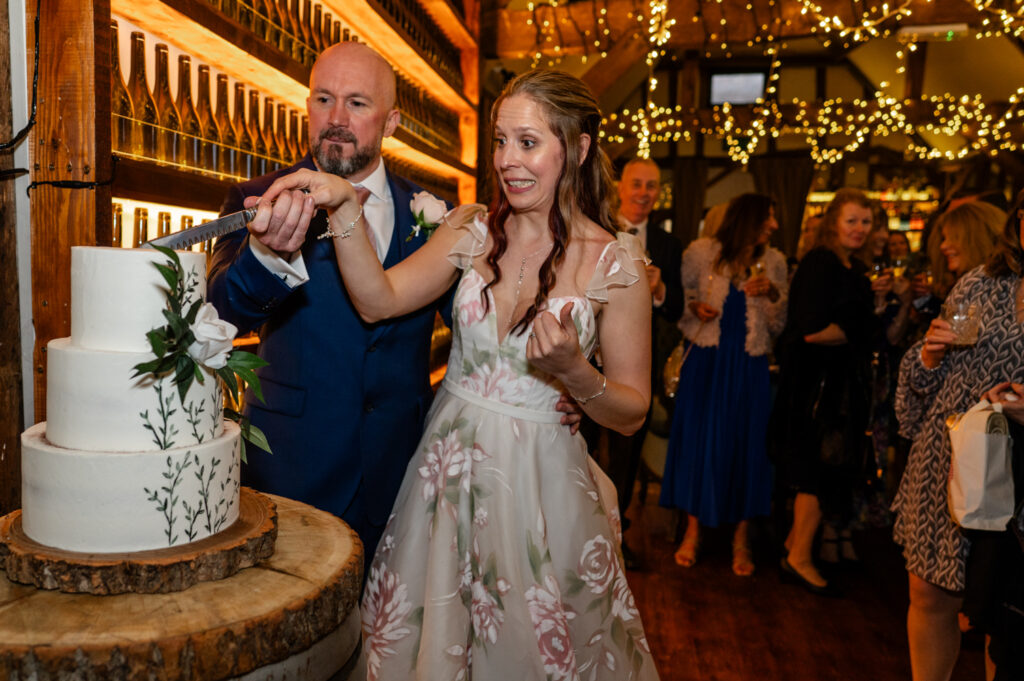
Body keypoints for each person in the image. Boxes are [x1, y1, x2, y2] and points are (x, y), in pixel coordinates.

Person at [243, 69, 660, 680]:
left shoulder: (615, 263)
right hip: (446, 482)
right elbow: (379, 300)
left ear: (576, 147)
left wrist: (576, 374)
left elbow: (633, 412)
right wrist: (341, 205)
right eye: (500, 141)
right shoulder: (470, 229)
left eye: (528, 142)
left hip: (541, 492)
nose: (508, 162)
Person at [206, 43, 579, 565]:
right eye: (323, 99)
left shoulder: (436, 216)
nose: (336, 119)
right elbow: (217, 317)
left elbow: (481, 330)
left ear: (393, 122)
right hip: (292, 467)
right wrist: (266, 256)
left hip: (407, 471)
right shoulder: (261, 199)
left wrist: (557, 386)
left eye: (357, 104)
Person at [892, 194, 1016, 681]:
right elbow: (920, 385)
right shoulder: (974, 285)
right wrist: (927, 357)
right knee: (928, 592)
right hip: (944, 458)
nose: (942, 246)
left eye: (950, 235)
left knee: (1002, 612)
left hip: (1009, 462)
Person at [659, 193, 787, 576]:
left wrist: (772, 295)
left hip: (749, 366)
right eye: (768, 219)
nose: (774, 226)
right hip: (706, 361)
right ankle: (692, 533)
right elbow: (682, 301)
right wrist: (695, 308)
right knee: (700, 444)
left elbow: (779, 325)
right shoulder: (701, 253)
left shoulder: (774, 262)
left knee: (747, 447)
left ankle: (741, 539)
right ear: (748, 220)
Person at [770, 188, 879, 595]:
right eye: (852, 220)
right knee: (814, 473)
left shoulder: (849, 265)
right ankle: (799, 557)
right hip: (816, 389)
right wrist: (858, 331)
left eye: (866, 221)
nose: (859, 229)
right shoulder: (821, 262)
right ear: (834, 221)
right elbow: (814, 330)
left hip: (834, 386)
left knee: (820, 472)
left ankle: (792, 549)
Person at [597, 157, 683, 569]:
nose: (645, 193)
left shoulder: (667, 243)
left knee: (627, 456)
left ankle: (617, 534)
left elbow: (677, 306)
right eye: (638, 184)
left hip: (638, 371)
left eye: (652, 186)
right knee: (588, 453)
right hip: (591, 366)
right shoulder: (597, 227)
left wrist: (660, 287)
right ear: (620, 187)